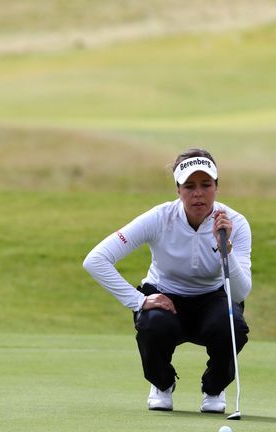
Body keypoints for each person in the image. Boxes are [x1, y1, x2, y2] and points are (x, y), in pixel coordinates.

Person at [82, 148, 251, 413]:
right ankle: (162, 384)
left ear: (217, 187)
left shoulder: (236, 224)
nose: (198, 193)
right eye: (189, 186)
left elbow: (240, 292)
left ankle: (214, 389)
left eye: (206, 185)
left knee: (233, 327)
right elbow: (96, 259)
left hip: (213, 298)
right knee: (153, 324)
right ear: (178, 189)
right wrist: (138, 301)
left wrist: (226, 249)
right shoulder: (159, 218)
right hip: (165, 296)